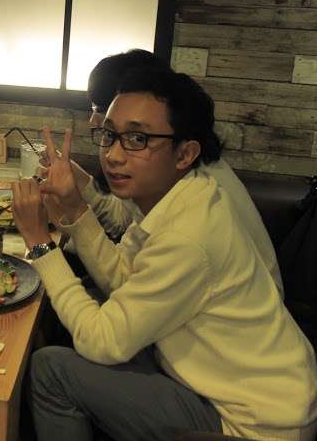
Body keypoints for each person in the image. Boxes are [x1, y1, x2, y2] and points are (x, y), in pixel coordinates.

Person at [11, 67, 317, 441]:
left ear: (185, 153)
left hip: (254, 428)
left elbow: (102, 341)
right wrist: (74, 209)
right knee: (81, 306)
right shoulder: (183, 193)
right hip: (246, 389)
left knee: (52, 370)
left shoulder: (188, 235)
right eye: (109, 134)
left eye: (138, 139)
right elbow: (124, 279)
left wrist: (39, 244)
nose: (113, 155)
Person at [62, 49, 283, 292]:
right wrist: (77, 184)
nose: (92, 119)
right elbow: (125, 238)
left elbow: (114, 309)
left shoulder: (186, 188)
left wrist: (44, 242)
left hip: (244, 301)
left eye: (100, 106)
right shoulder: (168, 171)